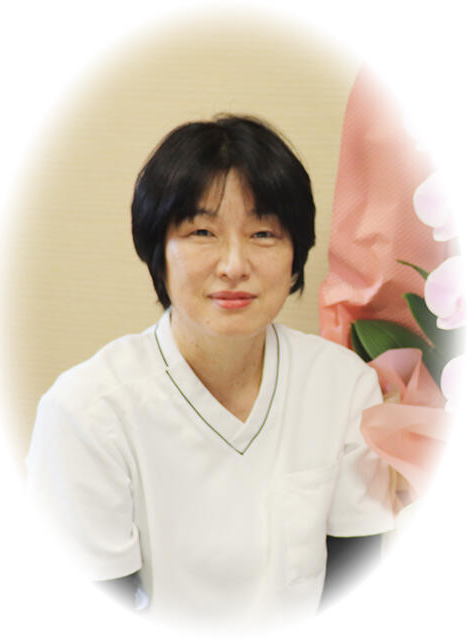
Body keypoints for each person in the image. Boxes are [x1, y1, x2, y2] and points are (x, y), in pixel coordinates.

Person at [26, 115, 394, 625]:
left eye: (263, 233)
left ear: (296, 254)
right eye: (202, 232)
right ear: (158, 253)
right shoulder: (86, 411)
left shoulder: (344, 385)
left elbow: (357, 586)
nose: (234, 265)